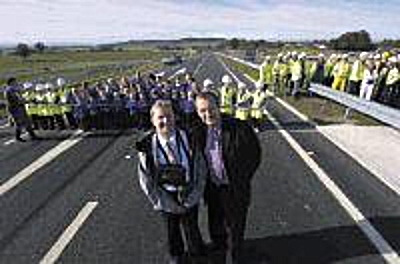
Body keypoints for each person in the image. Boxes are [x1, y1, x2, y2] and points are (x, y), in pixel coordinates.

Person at [191, 92, 261, 264]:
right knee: (215, 225)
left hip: (234, 189)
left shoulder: (240, 127)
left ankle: (234, 258)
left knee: (235, 229)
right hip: (213, 189)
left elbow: (255, 155)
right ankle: (218, 252)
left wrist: (241, 179)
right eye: (202, 111)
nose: (207, 114)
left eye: (211, 109)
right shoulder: (197, 130)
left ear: (218, 107)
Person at [135, 100, 206, 264]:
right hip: (165, 196)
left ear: (175, 117)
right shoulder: (146, 146)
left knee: (192, 229)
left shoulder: (189, 137)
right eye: (160, 117)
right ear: (152, 120)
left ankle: (197, 254)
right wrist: (161, 202)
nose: (165, 121)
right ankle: (176, 256)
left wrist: (195, 195)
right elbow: (145, 179)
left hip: (189, 193)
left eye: (169, 116)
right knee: (171, 232)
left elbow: (201, 168)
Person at [4, 77, 38, 142]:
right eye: (15, 82)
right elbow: (17, 100)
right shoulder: (10, 90)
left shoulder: (14, 90)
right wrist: (28, 101)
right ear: (11, 83)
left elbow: (20, 98)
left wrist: (26, 101)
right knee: (19, 123)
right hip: (15, 109)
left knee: (27, 121)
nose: (16, 83)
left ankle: (32, 135)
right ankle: (18, 136)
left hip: (20, 108)